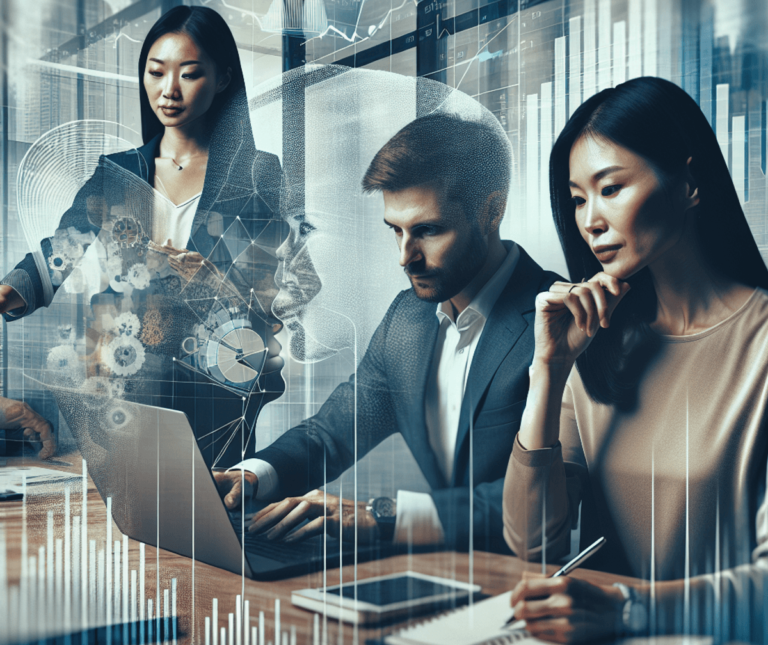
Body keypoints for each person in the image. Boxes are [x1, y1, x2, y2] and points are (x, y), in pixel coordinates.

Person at [215, 110, 560, 553]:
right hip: (443, 574)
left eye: (428, 231)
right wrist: (252, 476)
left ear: (491, 211)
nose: (405, 257)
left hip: (545, 587)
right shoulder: (408, 317)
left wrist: (381, 516)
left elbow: (550, 496)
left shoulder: (559, 323)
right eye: (395, 231)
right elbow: (332, 432)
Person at [502, 76, 768, 643]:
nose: (590, 220)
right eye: (577, 199)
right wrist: (548, 372)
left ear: (690, 183)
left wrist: (627, 608)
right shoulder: (594, 344)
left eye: (611, 188)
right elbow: (532, 547)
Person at [0, 5, 285, 468]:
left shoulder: (257, 174)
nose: (168, 90)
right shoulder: (118, 172)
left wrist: (214, 279)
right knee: (127, 521)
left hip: (215, 384)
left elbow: (275, 286)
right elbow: (62, 248)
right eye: (155, 72)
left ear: (223, 78)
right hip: (124, 383)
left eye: (189, 74)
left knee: (210, 519)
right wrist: (8, 292)